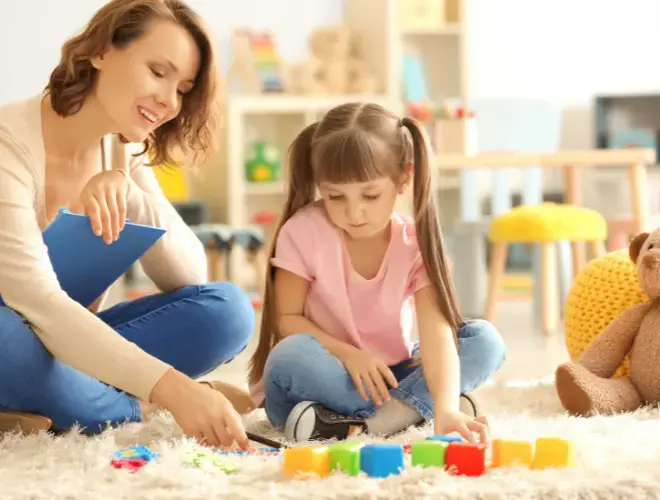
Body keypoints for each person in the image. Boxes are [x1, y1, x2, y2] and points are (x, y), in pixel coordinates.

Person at [0, 0, 255, 450]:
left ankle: (61, 402)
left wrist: (131, 194)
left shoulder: (124, 146)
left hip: (60, 342)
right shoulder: (8, 145)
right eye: (158, 72)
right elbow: (38, 303)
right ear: (100, 51)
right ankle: (136, 407)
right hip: (17, 333)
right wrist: (173, 391)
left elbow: (189, 278)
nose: (169, 100)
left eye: (183, 87)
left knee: (228, 310)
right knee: (8, 339)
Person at [247, 102, 507, 444]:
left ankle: (368, 424)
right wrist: (350, 354)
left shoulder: (415, 241)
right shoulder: (303, 231)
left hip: (390, 374)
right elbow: (288, 320)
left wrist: (446, 408)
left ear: (403, 178)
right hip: (327, 375)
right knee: (288, 357)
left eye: (370, 195)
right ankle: (410, 412)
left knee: (484, 341)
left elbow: (437, 332)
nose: (354, 212)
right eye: (335, 196)